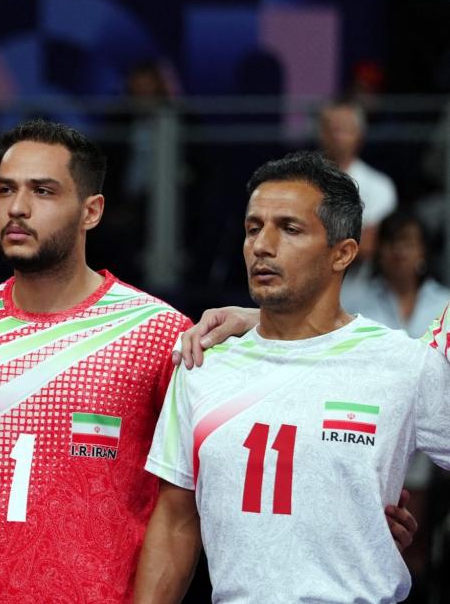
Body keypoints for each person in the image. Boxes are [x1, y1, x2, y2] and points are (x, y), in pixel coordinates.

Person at [0, 119, 192, 604]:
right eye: (6, 191)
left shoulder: (158, 332)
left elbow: (180, 506)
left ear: (91, 211)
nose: (17, 209)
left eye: (43, 191)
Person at [136, 151, 450, 603]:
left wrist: (363, 532)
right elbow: (175, 522)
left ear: (342, 254)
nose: (262, 245)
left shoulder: (403, 364)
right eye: (252, 228)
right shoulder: (203, 363)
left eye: (289, 228)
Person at [342, 210, 450, 338]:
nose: (399, 251)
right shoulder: (356, 302)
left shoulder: (445, 303)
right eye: (392, 242)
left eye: (408, 244)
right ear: (379, 250)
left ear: (423, 251)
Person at [318, 99, 397, 261]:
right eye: (330, 128)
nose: (335, 135)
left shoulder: (380, 185)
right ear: (321, 133)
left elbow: (369, 243)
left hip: (362, 284)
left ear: (359, 135)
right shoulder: (302, 181)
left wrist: (314, 247)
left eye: (343, 129)